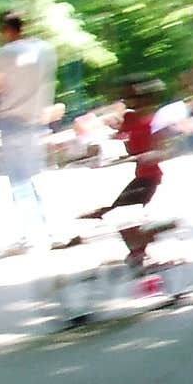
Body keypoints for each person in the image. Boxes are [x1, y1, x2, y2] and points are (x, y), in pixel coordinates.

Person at [0, 11, 59, 254]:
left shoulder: (6, 54)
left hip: (12, 122)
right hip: (38, 120)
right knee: (36, 176)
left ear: (6, 31)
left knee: (19, 180)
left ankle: (30, 236)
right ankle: (50, 230)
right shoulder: (45, 50)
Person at [77, 76, 173, 267]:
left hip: (150, 176)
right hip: (140, 174)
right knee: (119, 213)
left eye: (129, 97)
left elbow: (163, 149)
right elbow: (119, 136)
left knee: (120, 213)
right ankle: (139, 250)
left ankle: (152, 238)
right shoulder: (132, 117)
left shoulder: (156, 121)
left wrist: (147, 155)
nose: (125, 101)